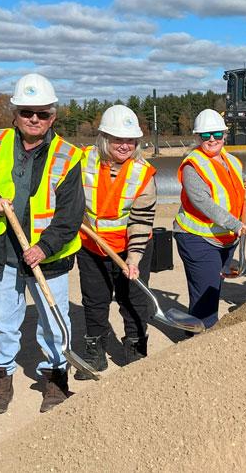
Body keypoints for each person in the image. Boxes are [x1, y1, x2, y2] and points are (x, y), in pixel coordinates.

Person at [0, 73, 84, 414]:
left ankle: (55, 382)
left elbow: (71, 214)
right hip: (4, 252)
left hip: (49, 257)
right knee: (3, 323)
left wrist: (44, 247)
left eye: (42, 113)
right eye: (27, 111)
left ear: (53, 116)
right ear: (15, 113)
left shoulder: (68, 155)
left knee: (54, 323)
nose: (34, 119)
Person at [75, 105, 157, 379]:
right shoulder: (83, 161)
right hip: (91, 246)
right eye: (118, 139)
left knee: (133, 300)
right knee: (95, 300)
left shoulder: (143, 174)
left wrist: (134, 258)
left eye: (130, 140)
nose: (124, 145)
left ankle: (136, 353)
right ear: (104, 138)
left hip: (130, 247)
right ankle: (95, 354)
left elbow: (141, 220)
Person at [174, 109, 246, 330]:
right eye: (206, 135)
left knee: (210, 290)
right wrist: (234, 224)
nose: (212, 139)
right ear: (198, 137)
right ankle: (206, 341)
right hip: (197, 238)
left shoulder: (230, 160)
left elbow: (229, 180)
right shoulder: (193, 166)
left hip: (224, 239)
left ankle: (195, 334)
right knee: (207, 296)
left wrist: (245, 180)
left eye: (217, 134)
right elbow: (204, 202)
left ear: (224, 134)